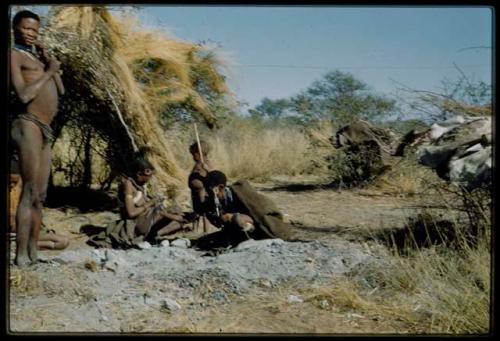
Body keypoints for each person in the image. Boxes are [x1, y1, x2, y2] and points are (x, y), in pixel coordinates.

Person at [10, 10, 66, 266]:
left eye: (35, 30)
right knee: (28, 190)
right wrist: (47, 73)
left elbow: (61, 90)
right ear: (15, 28)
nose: (32, 34)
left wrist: (48, 62)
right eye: (27, 29)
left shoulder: (38, 58)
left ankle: (33, 252)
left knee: (40, 195)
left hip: (45, 128)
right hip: (28, 124)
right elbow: (23, 95)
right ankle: (20, 255)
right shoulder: (13, 54)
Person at [87, 152, 190, 248]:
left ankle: (150, 236)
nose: (149, 180)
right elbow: (131, 213)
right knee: (168, 215)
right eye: (148, 177)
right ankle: (148, 235)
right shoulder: (128, 185)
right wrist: (151, 203)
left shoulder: (139, 186)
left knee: (176, 212)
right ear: (139, 174)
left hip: (146, 221)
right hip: (135, 224)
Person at [199, 170, 292, 248]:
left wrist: (233, 217)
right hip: (238, 231)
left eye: (209, 190)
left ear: (220, 188)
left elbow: (259, 214)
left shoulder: (241, 194)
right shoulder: (215, 201)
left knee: (236, 219)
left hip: (259, 225)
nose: (206, 194)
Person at [187, 140, 215, 215]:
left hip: (202, 193)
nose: (193, 157)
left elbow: (213, 175)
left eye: (193, 154)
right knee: (199, 212)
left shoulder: (205, 164)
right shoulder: (200, 164)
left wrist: (206, 169)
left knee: (204, 212)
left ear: (198, 153)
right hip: (196, 192)